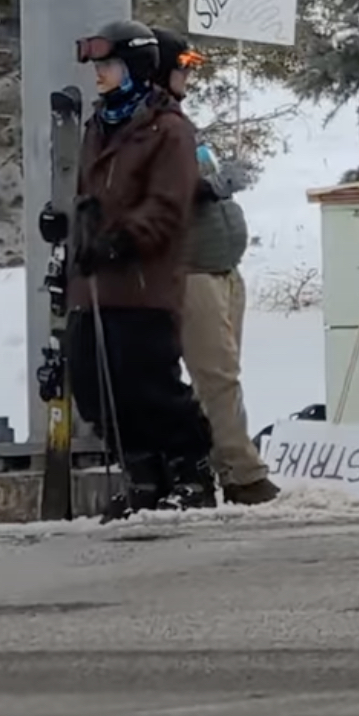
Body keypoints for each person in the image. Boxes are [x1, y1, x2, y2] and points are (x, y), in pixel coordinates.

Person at [67, 20, 220, 516]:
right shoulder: (99, 124)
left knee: (146, 381)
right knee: (92, 384)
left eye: (107, 66)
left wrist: (122, 239)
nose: (100, 75)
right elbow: (93, 193)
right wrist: (75, 228)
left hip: (141, 280)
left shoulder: (167, 128)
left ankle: (188, 469)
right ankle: (142, 471)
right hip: (94, 281)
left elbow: (168, 205)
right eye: (96, 67)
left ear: (133, 68)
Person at [155, 28, 280, 507]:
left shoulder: (179, 122)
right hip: (192, 271)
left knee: (223, 376)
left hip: (221, 268)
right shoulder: (153, 126)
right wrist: (209, 188)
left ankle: (217, 463)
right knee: (217, 377)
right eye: (182, 65)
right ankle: (243, 473)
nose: (189, 74)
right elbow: (163, 194)